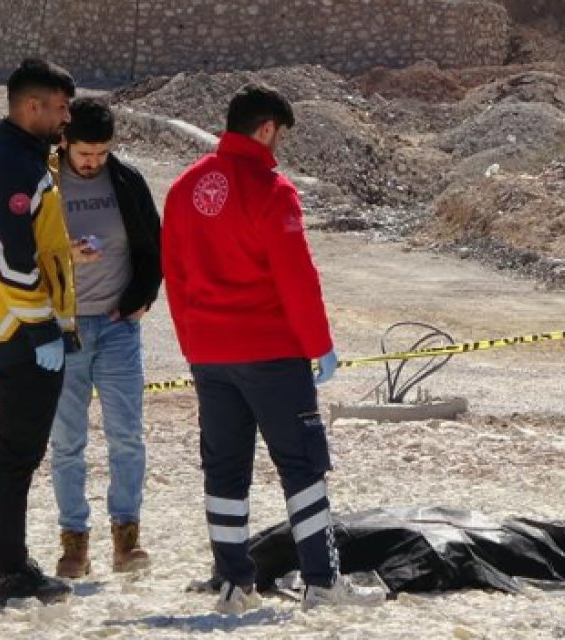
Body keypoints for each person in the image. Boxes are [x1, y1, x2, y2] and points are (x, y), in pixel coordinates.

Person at [162, 83, 385, 614]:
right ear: (266, 128)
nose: (278, 144)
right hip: (271, 353)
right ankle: (322, 581)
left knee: (224, 471)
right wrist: (320, 345)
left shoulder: (183, 188)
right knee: (301, 466)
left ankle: (234, 584)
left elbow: (175, 275)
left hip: (210, 355)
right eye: (278, 133)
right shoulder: (272, 189)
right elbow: (297, 277)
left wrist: (193, 345)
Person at [0, 57, 79, 606]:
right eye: (60, 108)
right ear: (31, 106)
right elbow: (14, 263)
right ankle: (9, 571)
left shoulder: (27, 157)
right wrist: (41, 330)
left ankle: (11, 561)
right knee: (16, 455)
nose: (67, 119)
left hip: (26, 332)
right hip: (21, 337)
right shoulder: (13, 166)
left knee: (19, 454)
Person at [49, 98, 162, 579]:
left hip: (118, 328)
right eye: (84, 154)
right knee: (67, 441)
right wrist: (64, 255)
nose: (92, 162)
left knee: (126, 437)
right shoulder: (45, 184)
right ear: (65, 143)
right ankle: (75, 545)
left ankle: (127, 539)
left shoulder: (127, 182)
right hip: (65, 329)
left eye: (101, 153)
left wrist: (142, 297)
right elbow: (24, 251)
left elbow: (153, 245)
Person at [201, 495, 565, 596]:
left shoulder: (309, 534)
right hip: (419, 537)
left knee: (514, 530)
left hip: (414, 522)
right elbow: (414, 569)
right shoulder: (305, 551)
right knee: (514, 546)